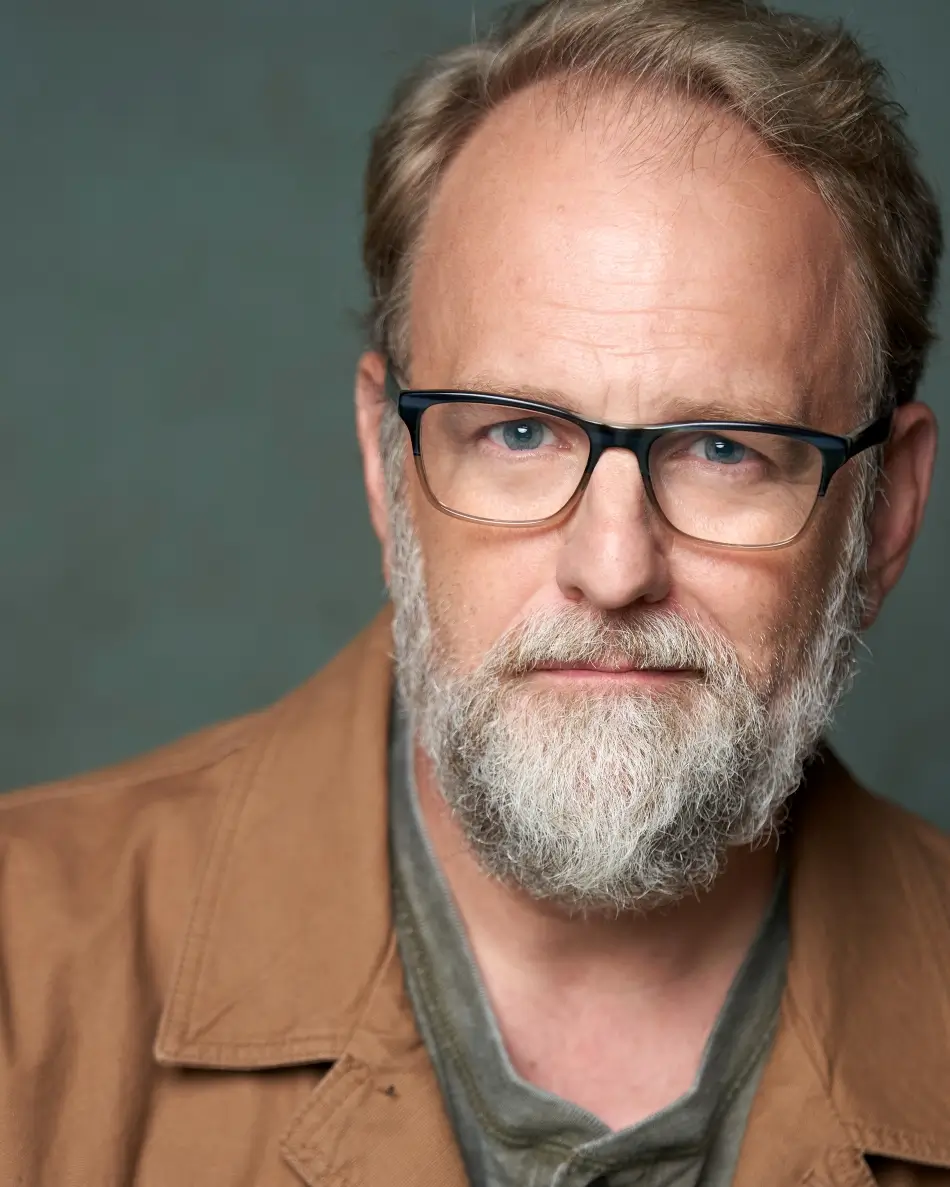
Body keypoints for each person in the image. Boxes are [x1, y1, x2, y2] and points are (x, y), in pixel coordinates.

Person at [1, 0, 946, 1183]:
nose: (611, 568)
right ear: (384, 463)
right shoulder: (20, 978)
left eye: (722, 449)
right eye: (514, 432)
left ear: (885, 512)